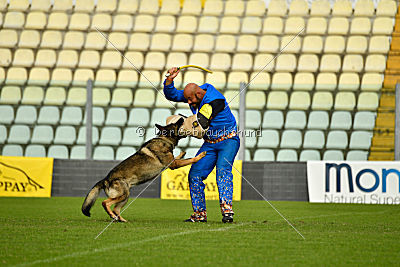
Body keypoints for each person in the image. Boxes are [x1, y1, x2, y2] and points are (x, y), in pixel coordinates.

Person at [163, 67, 240, 223]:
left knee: (223, 171)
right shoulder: (194, 95)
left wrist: (193, 124)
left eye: (190, 100)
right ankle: (199, 214)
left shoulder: (214, 98)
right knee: (194, 175)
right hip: (210, 143)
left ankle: (227, 211)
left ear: (198, 94)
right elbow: (172, 95)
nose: (189, 102)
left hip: (228, 141)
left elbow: (214, 106)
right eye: (188, 100)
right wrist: (170, 79)